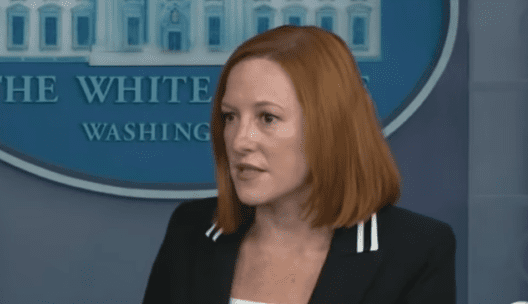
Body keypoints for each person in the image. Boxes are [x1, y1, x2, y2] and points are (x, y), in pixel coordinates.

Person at [142, 25, 456, 304]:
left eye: (267, 117)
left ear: (331, 126)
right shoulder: (191, 230)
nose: (239, 141)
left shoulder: (415, 251)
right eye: (230, 117)